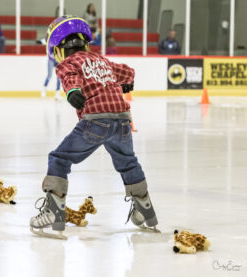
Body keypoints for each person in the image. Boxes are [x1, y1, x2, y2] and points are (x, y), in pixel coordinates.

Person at [30, 16, 159, 239]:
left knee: (59, 158)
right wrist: (127, 82)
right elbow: (127, 71)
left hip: (95, 121)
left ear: (59, 49)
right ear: (85, 42)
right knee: (128, 162)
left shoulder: (67, 63)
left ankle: (54, 211)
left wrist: (72, 92)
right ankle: (145, 209)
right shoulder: (102, 60)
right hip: (122, 121)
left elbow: (70, 77)